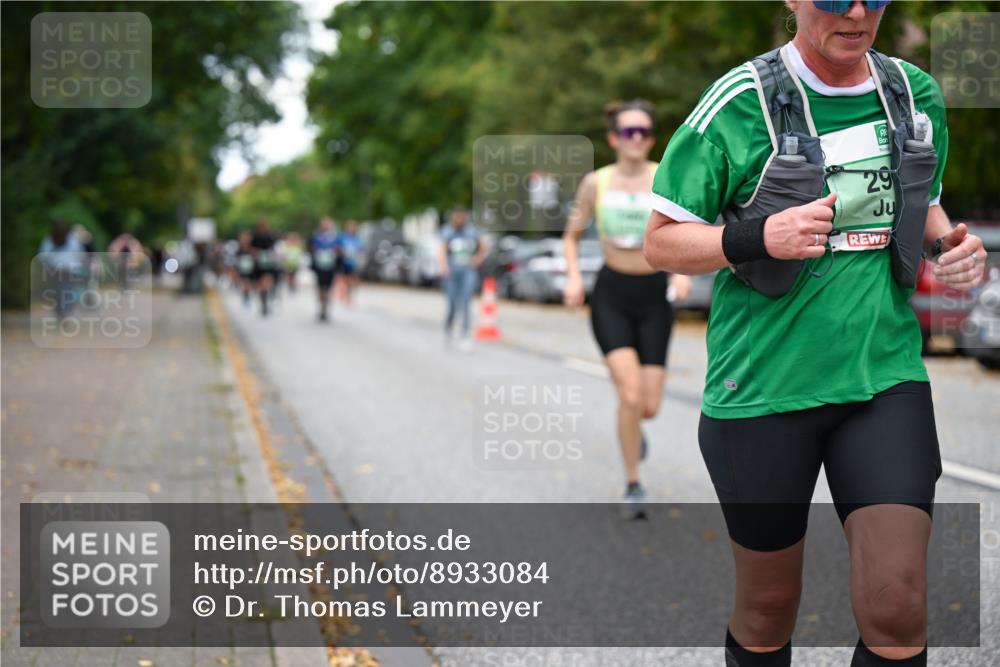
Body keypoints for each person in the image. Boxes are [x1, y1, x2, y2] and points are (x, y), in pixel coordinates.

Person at [643, 2, 986, 666]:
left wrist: (950, 247)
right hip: (765, 388)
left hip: (882, 378)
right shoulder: (738, 103)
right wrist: (754, 236)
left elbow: (924, 200)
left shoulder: (913, 95)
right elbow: (659, 244)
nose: (856, 11)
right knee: (768, 608)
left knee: (898, 602)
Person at [563, 99, 691, 520]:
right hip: (612, 294)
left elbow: (688, 228)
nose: (634, 139)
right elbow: (571, 235)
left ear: (651, 138)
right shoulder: (595, 183)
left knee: (649, 405)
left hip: (655, 296)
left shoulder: (665, 177)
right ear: (614, 138)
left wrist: (681, 272)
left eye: (642, 132)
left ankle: (635, 427)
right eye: (626, 132)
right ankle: (633, 483)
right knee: (630, 392)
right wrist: (575, 277)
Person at [439, 208, 487, 350]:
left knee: (466, 302)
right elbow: (442, 249)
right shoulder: (447, 231)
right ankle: (448, 329)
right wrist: (443, 266)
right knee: (452, 303)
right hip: (452, 272)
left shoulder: (472, 232)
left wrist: (477, 260)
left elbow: (484, 246)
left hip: (467, 271)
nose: (459, 220)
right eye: (456, 217)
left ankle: (465, 334)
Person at [38, 219, 86, 319]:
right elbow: (80, 254)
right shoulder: (72, 240)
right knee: (68, 290)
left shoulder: (49, 240)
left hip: (54, 269)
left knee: (57, 291)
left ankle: (60, 311)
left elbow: (42, 256)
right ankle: (65, 311)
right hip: (69, 269)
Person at [309, 217, 339, 322]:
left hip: (330, 265)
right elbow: (310, 248)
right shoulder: (316, 236)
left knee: (329, 288)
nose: (325, 226)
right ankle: (322, 307)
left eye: (327, 224)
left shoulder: (335, 237)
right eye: (324, 224)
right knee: (321, 287)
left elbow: (339, 250)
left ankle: (326, 307)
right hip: (319, 265)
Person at [250, 219, 278, 317]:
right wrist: (257, 253)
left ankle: (266, 300)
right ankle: (263, 302)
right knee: (260, 284)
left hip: (268, 263)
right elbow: (251, 249)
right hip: (259, 263)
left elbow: (274, 249)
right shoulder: (255, 237)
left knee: (267, 281)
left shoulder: (270, 236)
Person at [335, 220, 363, 306]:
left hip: (353, 262)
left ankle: (349, 296)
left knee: (354, 280)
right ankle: (344, 294)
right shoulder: (342, 237)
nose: (350, 229)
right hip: (344, 261)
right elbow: (337, 247)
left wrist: (359, 255)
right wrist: (340, 253)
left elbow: (361, 249)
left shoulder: (357, 238)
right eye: (349, 227)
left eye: (352, 228)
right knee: (344, 279)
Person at [235, 231, 256, 306]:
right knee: (245, 283)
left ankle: (247, 295)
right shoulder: (239, 249)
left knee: (248, 284)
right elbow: (237, 260)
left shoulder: (252, 248)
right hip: (242, 269)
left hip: (250, 269)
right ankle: (246, 297)